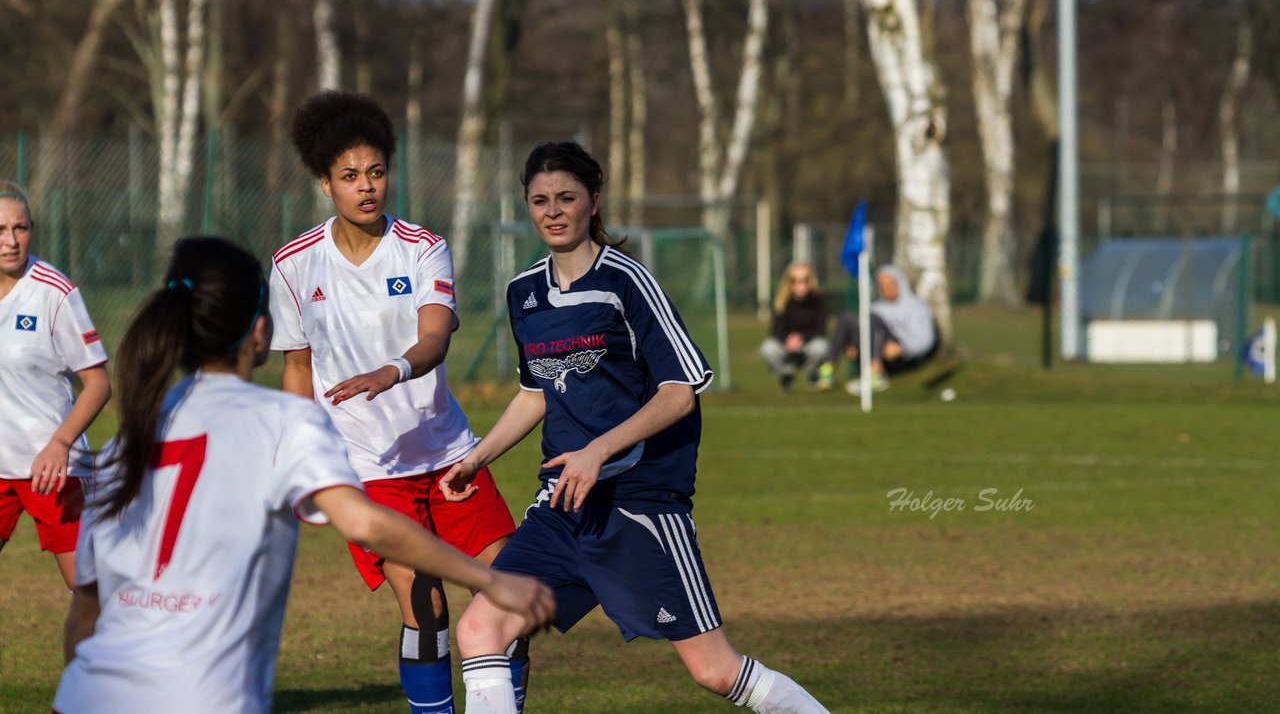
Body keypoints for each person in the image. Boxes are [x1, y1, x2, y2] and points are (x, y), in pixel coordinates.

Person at [53, 237, 554, 714]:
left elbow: (85, 615)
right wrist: (490, 581)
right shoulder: (282, 421)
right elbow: (367, 524)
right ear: (261, 330)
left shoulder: (127, 439)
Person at [440, 141, 829, 714]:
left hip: (637, 503)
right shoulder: (523, 292)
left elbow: (681, 392)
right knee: (480, 631)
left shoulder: (627, 283)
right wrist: (478, 457)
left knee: (715, 671)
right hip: (562, 508)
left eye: (566, 197)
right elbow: (536, 392)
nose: (553, 211)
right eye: (540, 199)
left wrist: (597, 451)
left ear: (593, 200)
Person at [268, 91, 527, 714]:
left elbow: (434, 337)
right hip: (368, 469)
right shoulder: (292, 264)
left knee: (511, 597)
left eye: (377, 172)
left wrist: (391, 371)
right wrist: (301, 463)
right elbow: (297, 370)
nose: (367, 187)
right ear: (325, 184)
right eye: (350, 176)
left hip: (448, 455)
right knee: (426, 609)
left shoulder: (422, 247)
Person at [0, 180, 110, 591]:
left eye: (20, 228)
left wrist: (60, 444)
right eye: (0, 231)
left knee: (89, 592)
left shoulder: (54, 293)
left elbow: (98, 383)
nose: (11, 241)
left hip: (51, 470)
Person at [829, 264, 938, 393]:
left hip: (903, 357)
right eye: (882, 285)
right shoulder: (876, 308)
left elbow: (926, 340)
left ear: (899, 283)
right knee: (847, 318)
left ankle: (875, 374)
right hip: (879, 352)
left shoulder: (915, 307)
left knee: (873, 319)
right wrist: (853, 344)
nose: (887, 289)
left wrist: (903, 349)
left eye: (891, 284)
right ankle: (828, 369)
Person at [759, 262, 832, 391]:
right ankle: (786, 375)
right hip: (787, 345)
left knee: (821, 346)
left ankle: (812, 375)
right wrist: (787, 341)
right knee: (767, 348)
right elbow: (775, 330)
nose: (800, 285)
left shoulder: (819, 299)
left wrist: (801, 338)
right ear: (789, 282)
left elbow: (821, 329)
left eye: (804, 280)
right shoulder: (781, 300)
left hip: (808, 344)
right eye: (795, 280)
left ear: (811, 281)